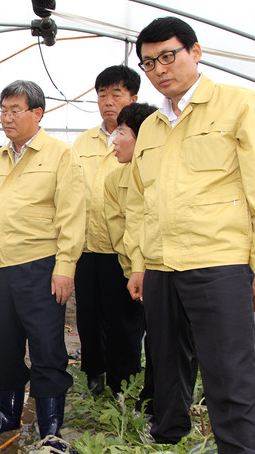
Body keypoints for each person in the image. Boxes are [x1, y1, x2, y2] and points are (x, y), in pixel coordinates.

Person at [126, 16, 255, 454]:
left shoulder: (238, 106)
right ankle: (168, 442)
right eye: (148, 62)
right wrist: (140, 264)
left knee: (229, 378)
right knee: (165, 364)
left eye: (168, 56)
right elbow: (143, 204)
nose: (159, 68)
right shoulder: (154, 127)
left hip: (217, 262)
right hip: (162, 268)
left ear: (194, 53)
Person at [0, 80, 84, 451]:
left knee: (47, 347)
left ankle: (50, 429)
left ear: (37, 114)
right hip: (0, 268)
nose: (7, 117)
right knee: (6, 346)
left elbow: (72, 216)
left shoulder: (60, 155)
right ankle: (8, 417)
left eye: (15, 110)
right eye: (3, 110)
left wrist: (65, 268)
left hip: (42, 268)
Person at [72, 65, 144, 396]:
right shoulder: (83, 142)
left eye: (117, 93)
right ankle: (94, 374)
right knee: (89, 317)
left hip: (124, 251)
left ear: (133, 97)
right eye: (102, 94)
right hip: (88, 248)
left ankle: (123, 383)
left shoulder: (143, 140)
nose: (108, 101)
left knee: (124, 322)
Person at [103, 102, 158, 415]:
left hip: (170, 269)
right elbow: (121, 231)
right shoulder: (115, 181)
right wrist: (136, 270)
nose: (115, 140)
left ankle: (158, 404)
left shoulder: (164, 176)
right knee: (134, 337)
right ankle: (135, 400)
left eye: (122, 132)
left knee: (166, 343)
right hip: (135, 271)